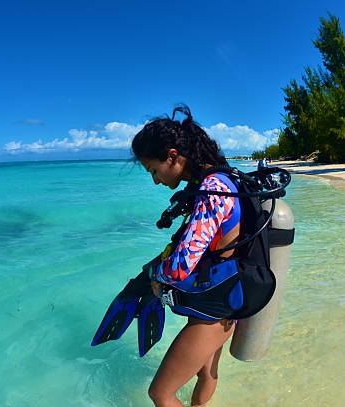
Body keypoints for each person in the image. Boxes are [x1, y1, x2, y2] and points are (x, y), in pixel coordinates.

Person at [131, 105, 240, 407]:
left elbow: (179, 268)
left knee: (161, 393)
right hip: (228, 298)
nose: (155, 180)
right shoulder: (217, 180)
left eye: (153, 169)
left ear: (173, 155)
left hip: (214, 310)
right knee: (206, 375)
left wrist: (155, 276)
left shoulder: (212, 189)